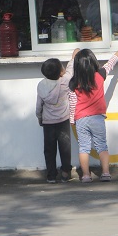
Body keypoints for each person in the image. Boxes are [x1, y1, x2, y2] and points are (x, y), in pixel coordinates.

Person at [69, 47, 118, 182]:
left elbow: (72, 103)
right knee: (102, 146)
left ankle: (86, 176)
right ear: (94, 62)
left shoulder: (74, 82)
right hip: (97, 118)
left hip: (81, 119)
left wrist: (72, 119)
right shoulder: (100, 75)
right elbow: (110, 64)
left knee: (83, 147)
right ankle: (106, 173)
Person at [36, 48, 80, 183]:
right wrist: (73, 56)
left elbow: (39, 106)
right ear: (61, 72)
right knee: (65, 148)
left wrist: (40, 118)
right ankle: (66, 173)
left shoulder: (41, 85)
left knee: (49, 149)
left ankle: (51, 175)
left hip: (48, 123)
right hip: (63, 121)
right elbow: (71, 70)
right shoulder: (64, 81)